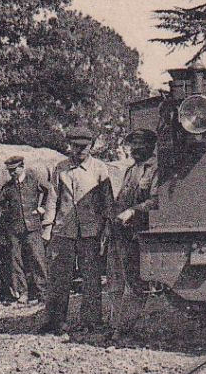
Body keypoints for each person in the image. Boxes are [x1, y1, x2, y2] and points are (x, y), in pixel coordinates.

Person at [41, 123, 112, 333]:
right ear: (70, 146)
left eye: (84, 146)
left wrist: (106, 226)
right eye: (75, 146)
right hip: (64, 231)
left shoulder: (99, 168)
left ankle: (90, 321)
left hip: (91, 232)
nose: (80, 150)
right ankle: (54, 321)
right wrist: (47, 226)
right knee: (59, 278)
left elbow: (107, 201)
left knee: (91, 278)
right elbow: (53, 198)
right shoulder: (60, 168)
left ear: (91, 146)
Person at [109, 128, 159, 320]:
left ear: (151, 146)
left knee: (137, 281)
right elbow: (123, 197)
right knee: (120, 278)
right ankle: (119, 322)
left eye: (141, 144)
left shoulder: (155, 169)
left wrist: (132, 211)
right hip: (123, 230)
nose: (136, 148)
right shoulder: (131, 169)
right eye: (134, 144)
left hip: (142, 229)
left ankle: (127, 325)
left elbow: (155, 199)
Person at [0, 154, 51, 303]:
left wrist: (42, 208)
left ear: (22, 167)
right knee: (15, 261)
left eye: (14, 170)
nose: (12, 173)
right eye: (9, 171)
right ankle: (22, 293)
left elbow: (50, 191)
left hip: (32, 227)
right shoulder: (8, 187)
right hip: (14, 229)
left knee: (38, 259)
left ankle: (43, 293)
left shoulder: (34, 181)